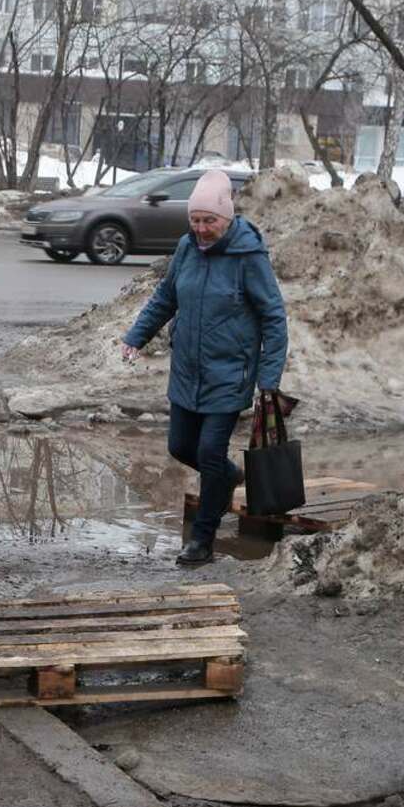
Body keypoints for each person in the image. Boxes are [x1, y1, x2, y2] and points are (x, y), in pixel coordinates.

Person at [119, 169, 288, 567]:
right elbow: (165, 297)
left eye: (208, 221)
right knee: (181, 446)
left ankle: (202, 540)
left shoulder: (249, 257)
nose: (200, 228)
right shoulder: (186, 248)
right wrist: (135, 336)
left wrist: (269, 380)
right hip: (187, 369)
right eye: (194, 220)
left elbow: (274, 318)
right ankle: (227, 477)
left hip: (230, 372)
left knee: (210, 452)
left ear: (226, 217)